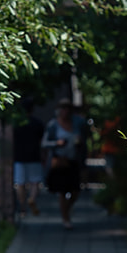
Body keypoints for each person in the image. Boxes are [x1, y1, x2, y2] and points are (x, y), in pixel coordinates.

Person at [41, 98, 87, 228]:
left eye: (67, 109)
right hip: (60, 161)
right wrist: (57, 143)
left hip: (73, 161)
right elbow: (44, 143)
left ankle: (67, 209)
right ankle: (65, 218)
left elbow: (83, 141)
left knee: (75, 191)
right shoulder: (53, 125)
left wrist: (79, 143)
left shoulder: (77, 123)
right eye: (63, 109)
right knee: (62, 191)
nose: (65, 112)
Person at [13, 97, 44, 216]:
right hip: (34, 155)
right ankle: (32, 198)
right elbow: (41, 141)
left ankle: (22, 208)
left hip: (19, 156)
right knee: (35, 182)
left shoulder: (17, 123)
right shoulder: (37, 123)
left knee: (20, 183)